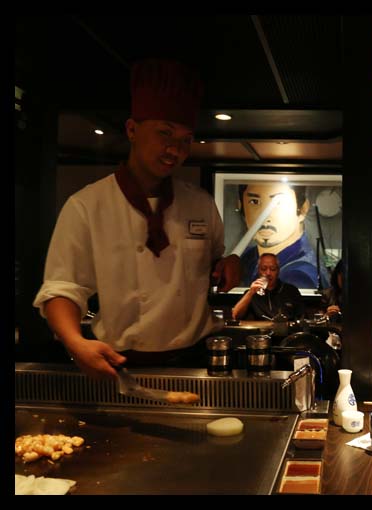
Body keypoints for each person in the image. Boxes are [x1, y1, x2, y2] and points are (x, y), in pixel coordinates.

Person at [33, 59, 240, 380]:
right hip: (119, 364)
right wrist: (75, 343)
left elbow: (211, 264)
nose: (175, 149)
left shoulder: (200, 204)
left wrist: (229, 263)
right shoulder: (87, 205)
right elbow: (62, 287)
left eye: (185, 139)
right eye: (164, 133)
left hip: (197, 362)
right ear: (132, 130)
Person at [236, 181, 329, 290]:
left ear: (303, 209)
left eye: (279, 203)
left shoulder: (300, 276)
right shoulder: (246, 259)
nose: (265, 216)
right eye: (254, 202)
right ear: (241, 206)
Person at [232, 253, 305, 321]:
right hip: (261, 330)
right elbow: (236, 316)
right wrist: (250, 293)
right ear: (258, 271)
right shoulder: (252, 293)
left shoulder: (291, 291)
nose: (268, 273)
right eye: (263, 269)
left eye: (273, 269)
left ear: (278, 271)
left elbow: (302, 318)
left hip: (285, 329)